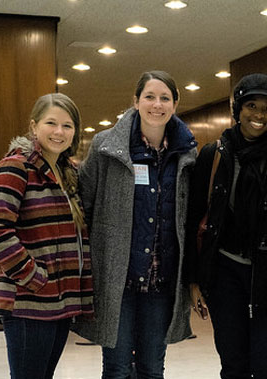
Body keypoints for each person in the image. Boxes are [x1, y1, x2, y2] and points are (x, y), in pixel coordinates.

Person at [73, 71, 197, 378]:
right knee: (115, 368)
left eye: (165, 98)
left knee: (152, 368)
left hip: (160, 281)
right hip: (118, 282)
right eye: (150, 97)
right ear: (136, 101)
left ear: (175, 103)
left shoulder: (186, 153)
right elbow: (83, 206)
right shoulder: (107, 147)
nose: (157, 105)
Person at [183, 73, 267, 379]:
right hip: (225, 273)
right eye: (251, 105)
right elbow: (194, 219)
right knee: (233, 364)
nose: (258, 115)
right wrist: (194, 280)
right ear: (237, 108)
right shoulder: (215, 154)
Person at [0, 93, 94, 379]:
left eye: (67, 126)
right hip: (28, 304)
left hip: (61, 303)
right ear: (34, 126)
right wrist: (34, 278)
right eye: (51, 123)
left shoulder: (66, 172)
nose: (59, 132)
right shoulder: (15, 167)